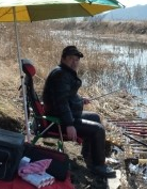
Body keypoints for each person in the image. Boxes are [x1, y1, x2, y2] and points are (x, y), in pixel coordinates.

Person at [42, 46, 116, 178]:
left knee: (95, 117)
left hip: (61, 115)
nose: (74, 62)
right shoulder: (61, 75)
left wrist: (81, 100)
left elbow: (66, 96)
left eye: (77, 60)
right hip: (58, 121)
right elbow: (61, 103)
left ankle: (88, 155)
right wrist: (69, 125)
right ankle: (98, 166)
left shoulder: (64, 72)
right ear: (63, 58)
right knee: (99, 130)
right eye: (71, 59)